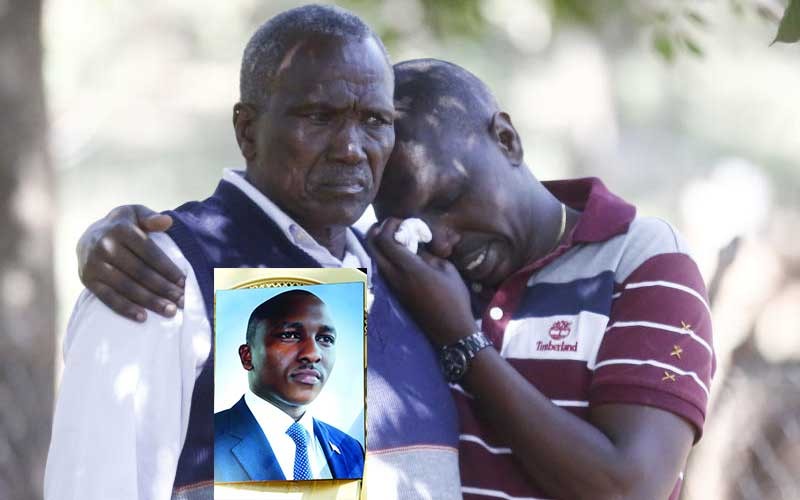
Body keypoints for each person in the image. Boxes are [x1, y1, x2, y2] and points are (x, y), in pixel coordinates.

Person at [83, 59, 716, 499]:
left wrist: (462, 345)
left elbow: (627, 487)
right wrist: (121, 237)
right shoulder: (400, 278)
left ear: (507, 139)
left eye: (448, 200)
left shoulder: (644, 261)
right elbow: (294, 483)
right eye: (408, 222)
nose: (436, 238)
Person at [45, 6, 461, 500]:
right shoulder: (160, 274)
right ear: (247, 131)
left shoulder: (408, 272)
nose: (352, 148)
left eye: (374, 120)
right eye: (319, 117)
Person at [215, 289, 363, 481]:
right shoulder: (204, 441)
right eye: (290, 335)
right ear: (247, 356)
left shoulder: (351, 449)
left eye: (325, 339)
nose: (313, 353)